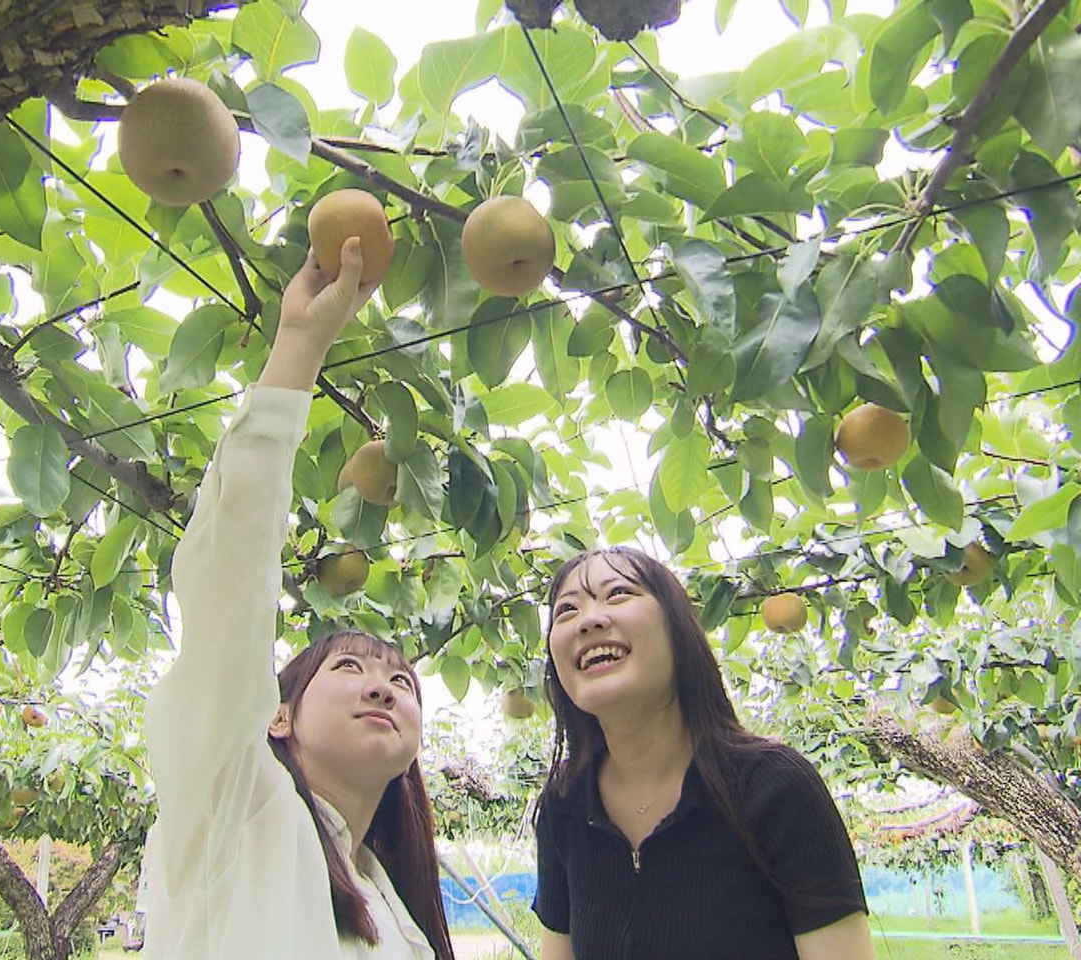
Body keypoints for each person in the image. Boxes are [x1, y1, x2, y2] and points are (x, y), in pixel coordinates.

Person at [141, 237, 455, 960]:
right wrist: (299, 346)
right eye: (350, 669)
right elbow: (229, 579)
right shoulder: (236, 806)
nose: (383, 686)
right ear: (276, 715)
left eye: (401, 681)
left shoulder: (390, 897)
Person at [533, 546, 874, 960]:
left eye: (618, 593)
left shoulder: (776, 789)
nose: (589, 620)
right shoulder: (565, 805)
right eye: (566, 610)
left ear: (678, 630)